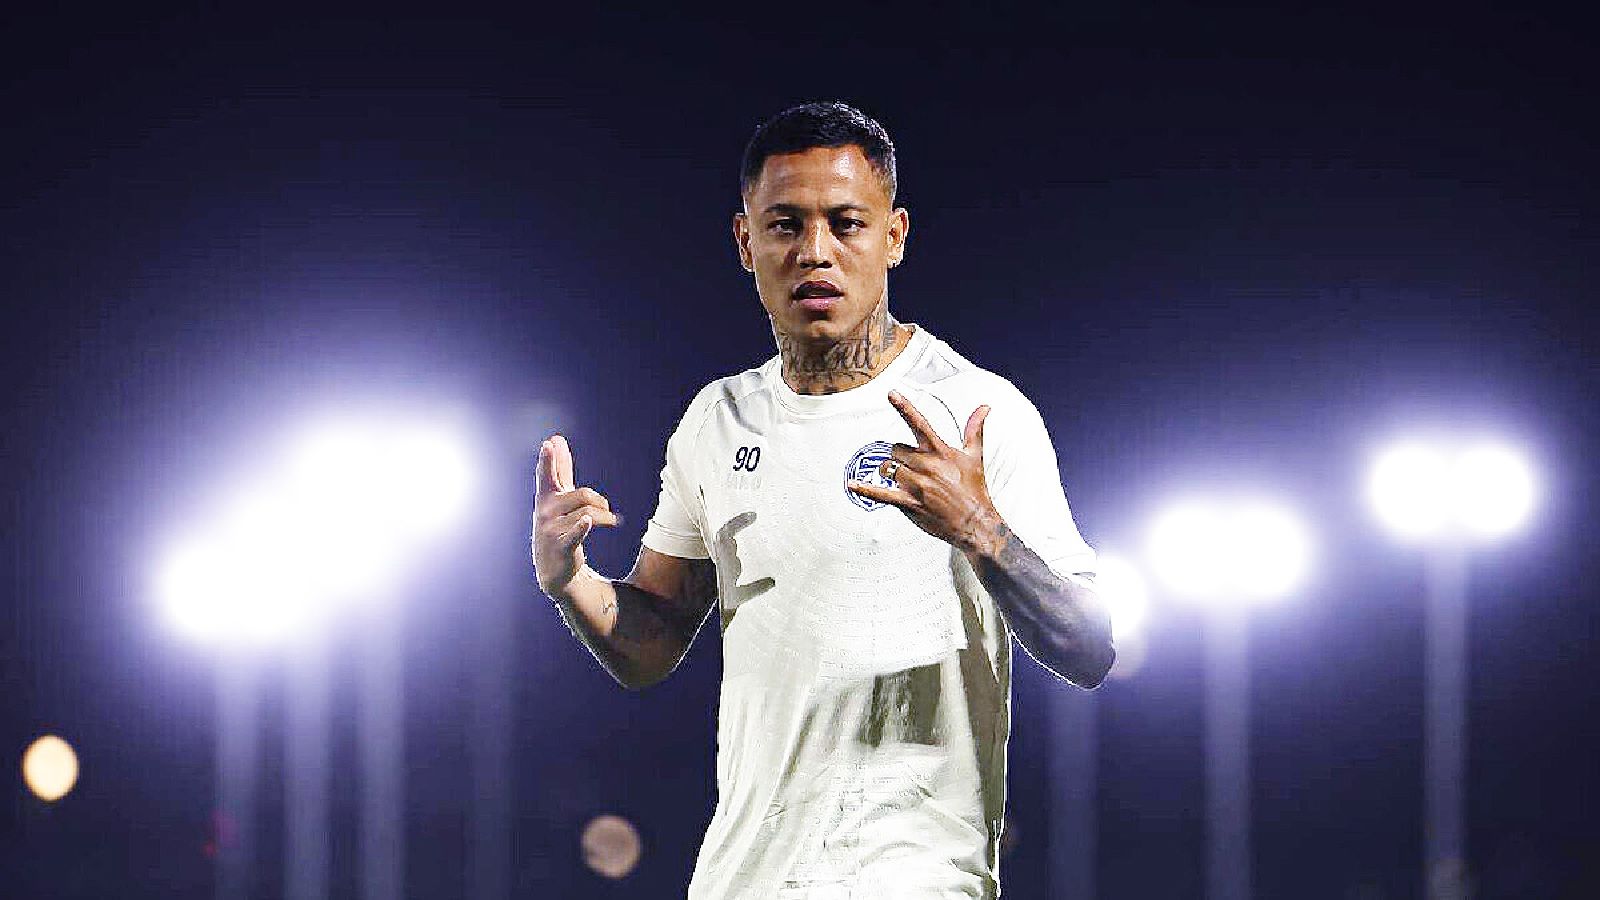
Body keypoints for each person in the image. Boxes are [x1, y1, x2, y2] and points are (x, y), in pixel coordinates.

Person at [531, 101, 1114, 900]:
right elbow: (652, 643)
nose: (815, 252)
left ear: (894, 236)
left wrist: (980, 529)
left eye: (846, 224)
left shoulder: (978, 412)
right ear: (746, 242)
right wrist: (570, 579)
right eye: (785, 225)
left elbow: (1089, 646)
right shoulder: (717, 419)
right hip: (744, 883)